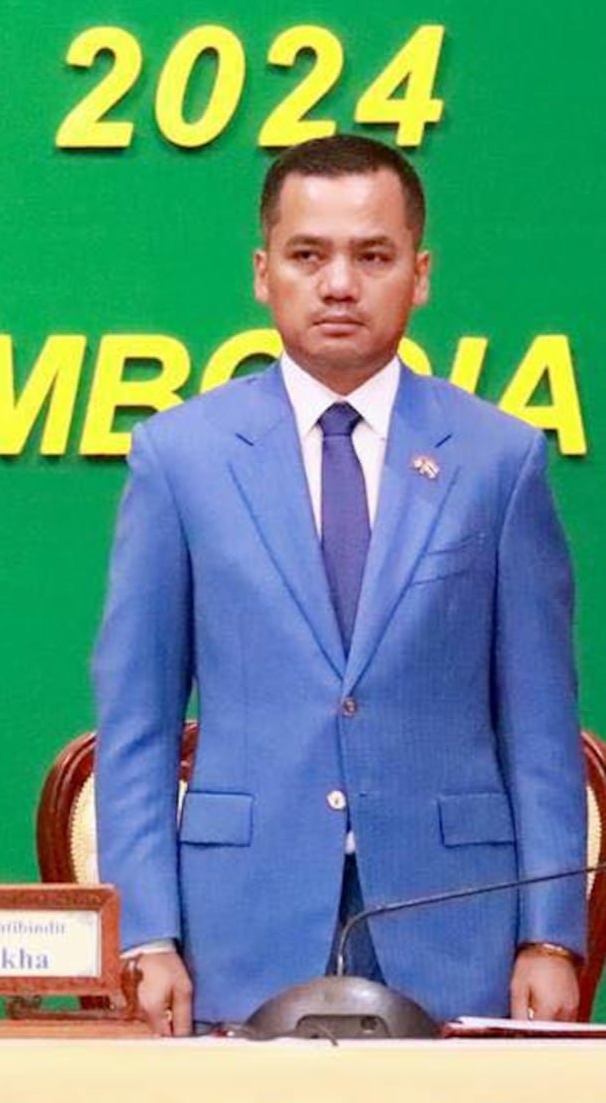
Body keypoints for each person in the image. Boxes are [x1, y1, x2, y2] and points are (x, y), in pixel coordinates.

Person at [92, 134, 585, 1033]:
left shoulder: (499, 461)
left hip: (455, 928)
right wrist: (147, 931)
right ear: (262, 271)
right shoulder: (182, 458)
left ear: (420, 274)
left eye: (373, 255)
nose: (340, 285)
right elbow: (138, 723)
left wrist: (549, 937)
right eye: (308, 255)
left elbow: (541, 726)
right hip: (234, 932)